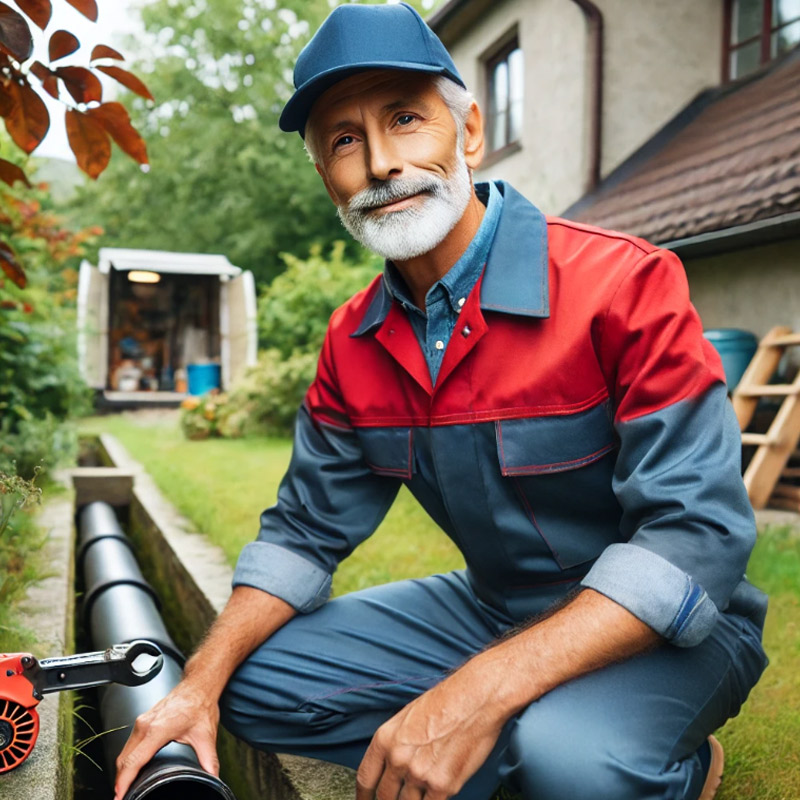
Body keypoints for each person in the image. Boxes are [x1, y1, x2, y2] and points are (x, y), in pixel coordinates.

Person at [113, 4, 768, 799]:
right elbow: (303, 534)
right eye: (345, 141)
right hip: (490, 610)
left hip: (672, 630)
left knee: (573, 765)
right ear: (326, 176)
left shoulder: (624, 284)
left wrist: (475, 693)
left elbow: (694, 536)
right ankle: (519, 743)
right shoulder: (351, 341)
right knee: (249, 685)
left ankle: (671, 767)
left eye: (405, 119)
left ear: (469, 133)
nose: (381, 163)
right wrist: (197, 684)